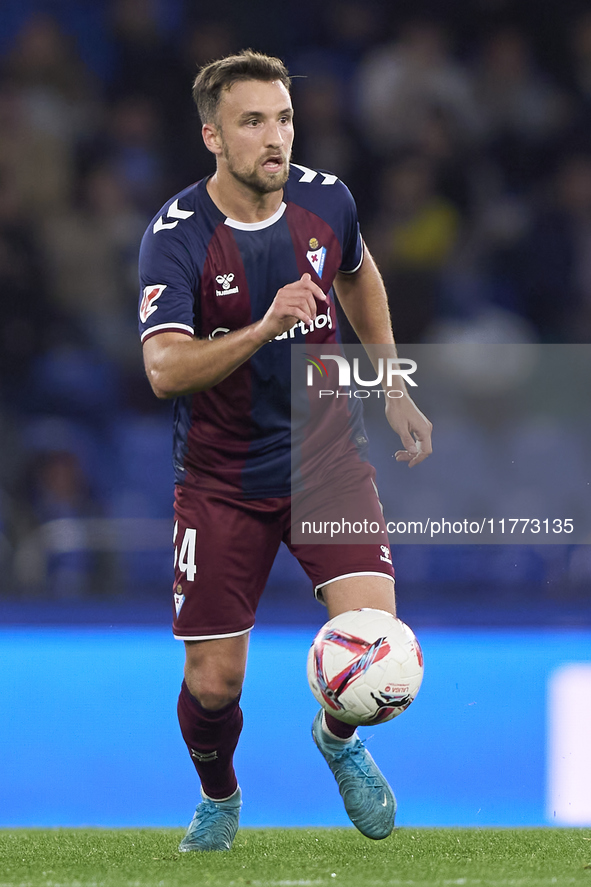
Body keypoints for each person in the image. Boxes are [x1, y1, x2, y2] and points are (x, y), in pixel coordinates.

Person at [138, 49, 432, 852]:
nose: (276, 138)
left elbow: (359, 277)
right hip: (221, 479)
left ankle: (337, 736)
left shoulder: (325, 200)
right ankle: (219, 797)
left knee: (376, 637)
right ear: (212, 136)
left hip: (326, 459)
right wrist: (263, 325)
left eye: (284, 118)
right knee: (212, 683)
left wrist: (392, 383)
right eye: (253, 122)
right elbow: (163, 368)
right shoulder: (178, 238)